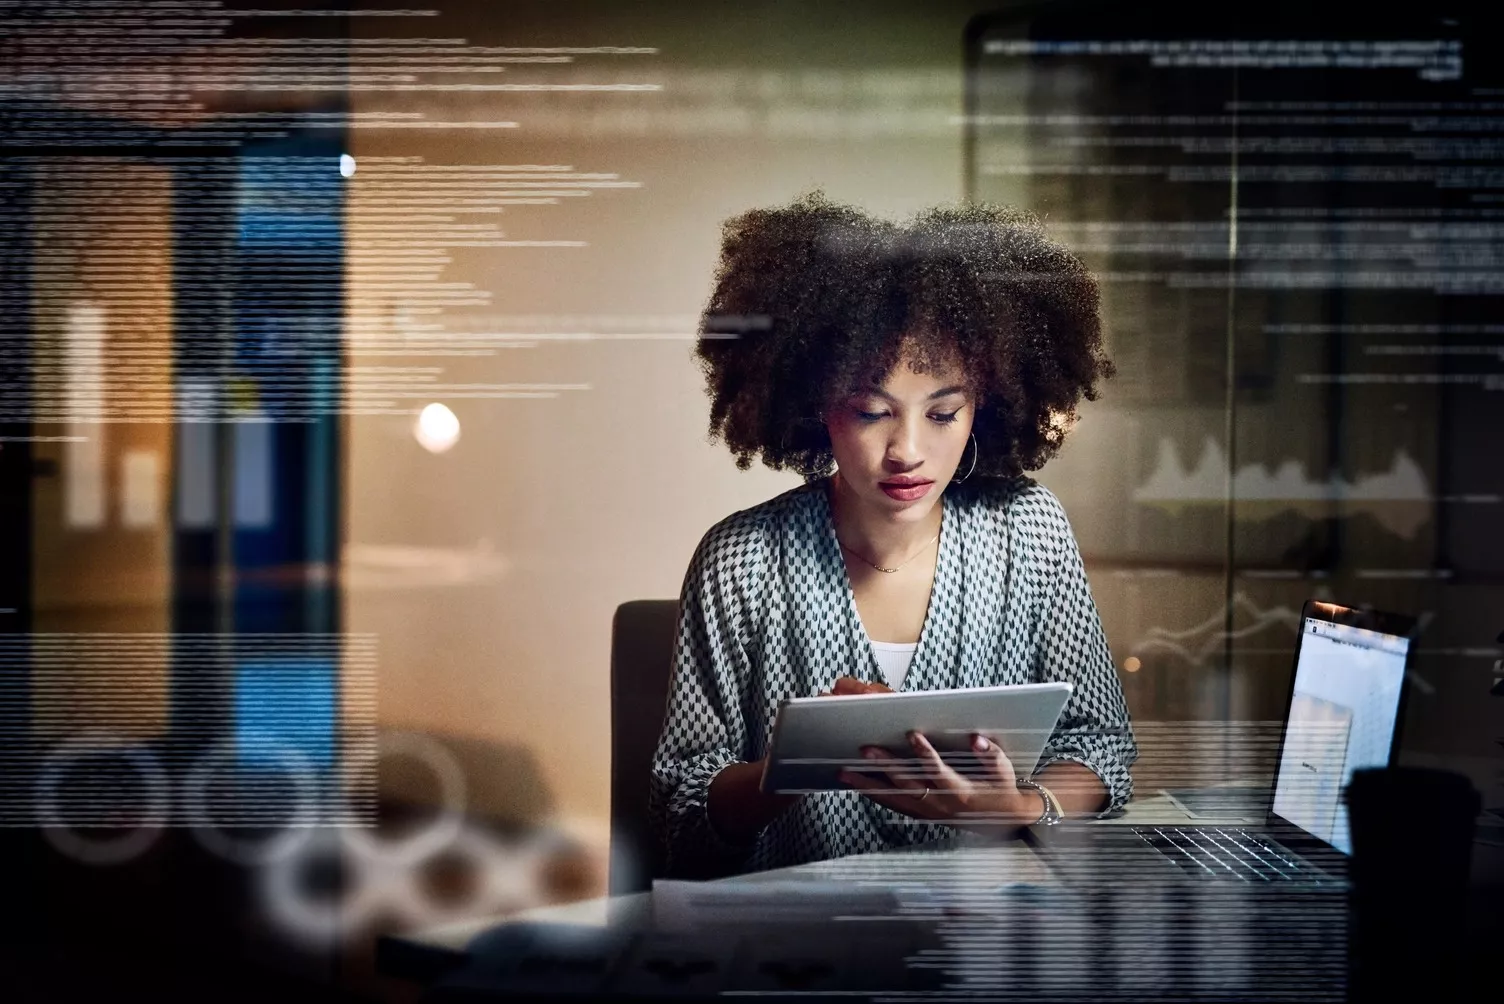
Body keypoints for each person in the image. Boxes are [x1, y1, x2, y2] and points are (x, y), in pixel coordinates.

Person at [649, 191, 1137, 878]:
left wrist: (1020, 806)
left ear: (984, 409)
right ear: (818, 409)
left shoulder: (1029, 531)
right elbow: (681, 818)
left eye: (943, 413)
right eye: (872, 411)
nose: (907, 450)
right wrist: (794, 763)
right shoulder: (741, 560)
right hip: (796, 949)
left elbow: (1102, 745)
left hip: (982, 940)